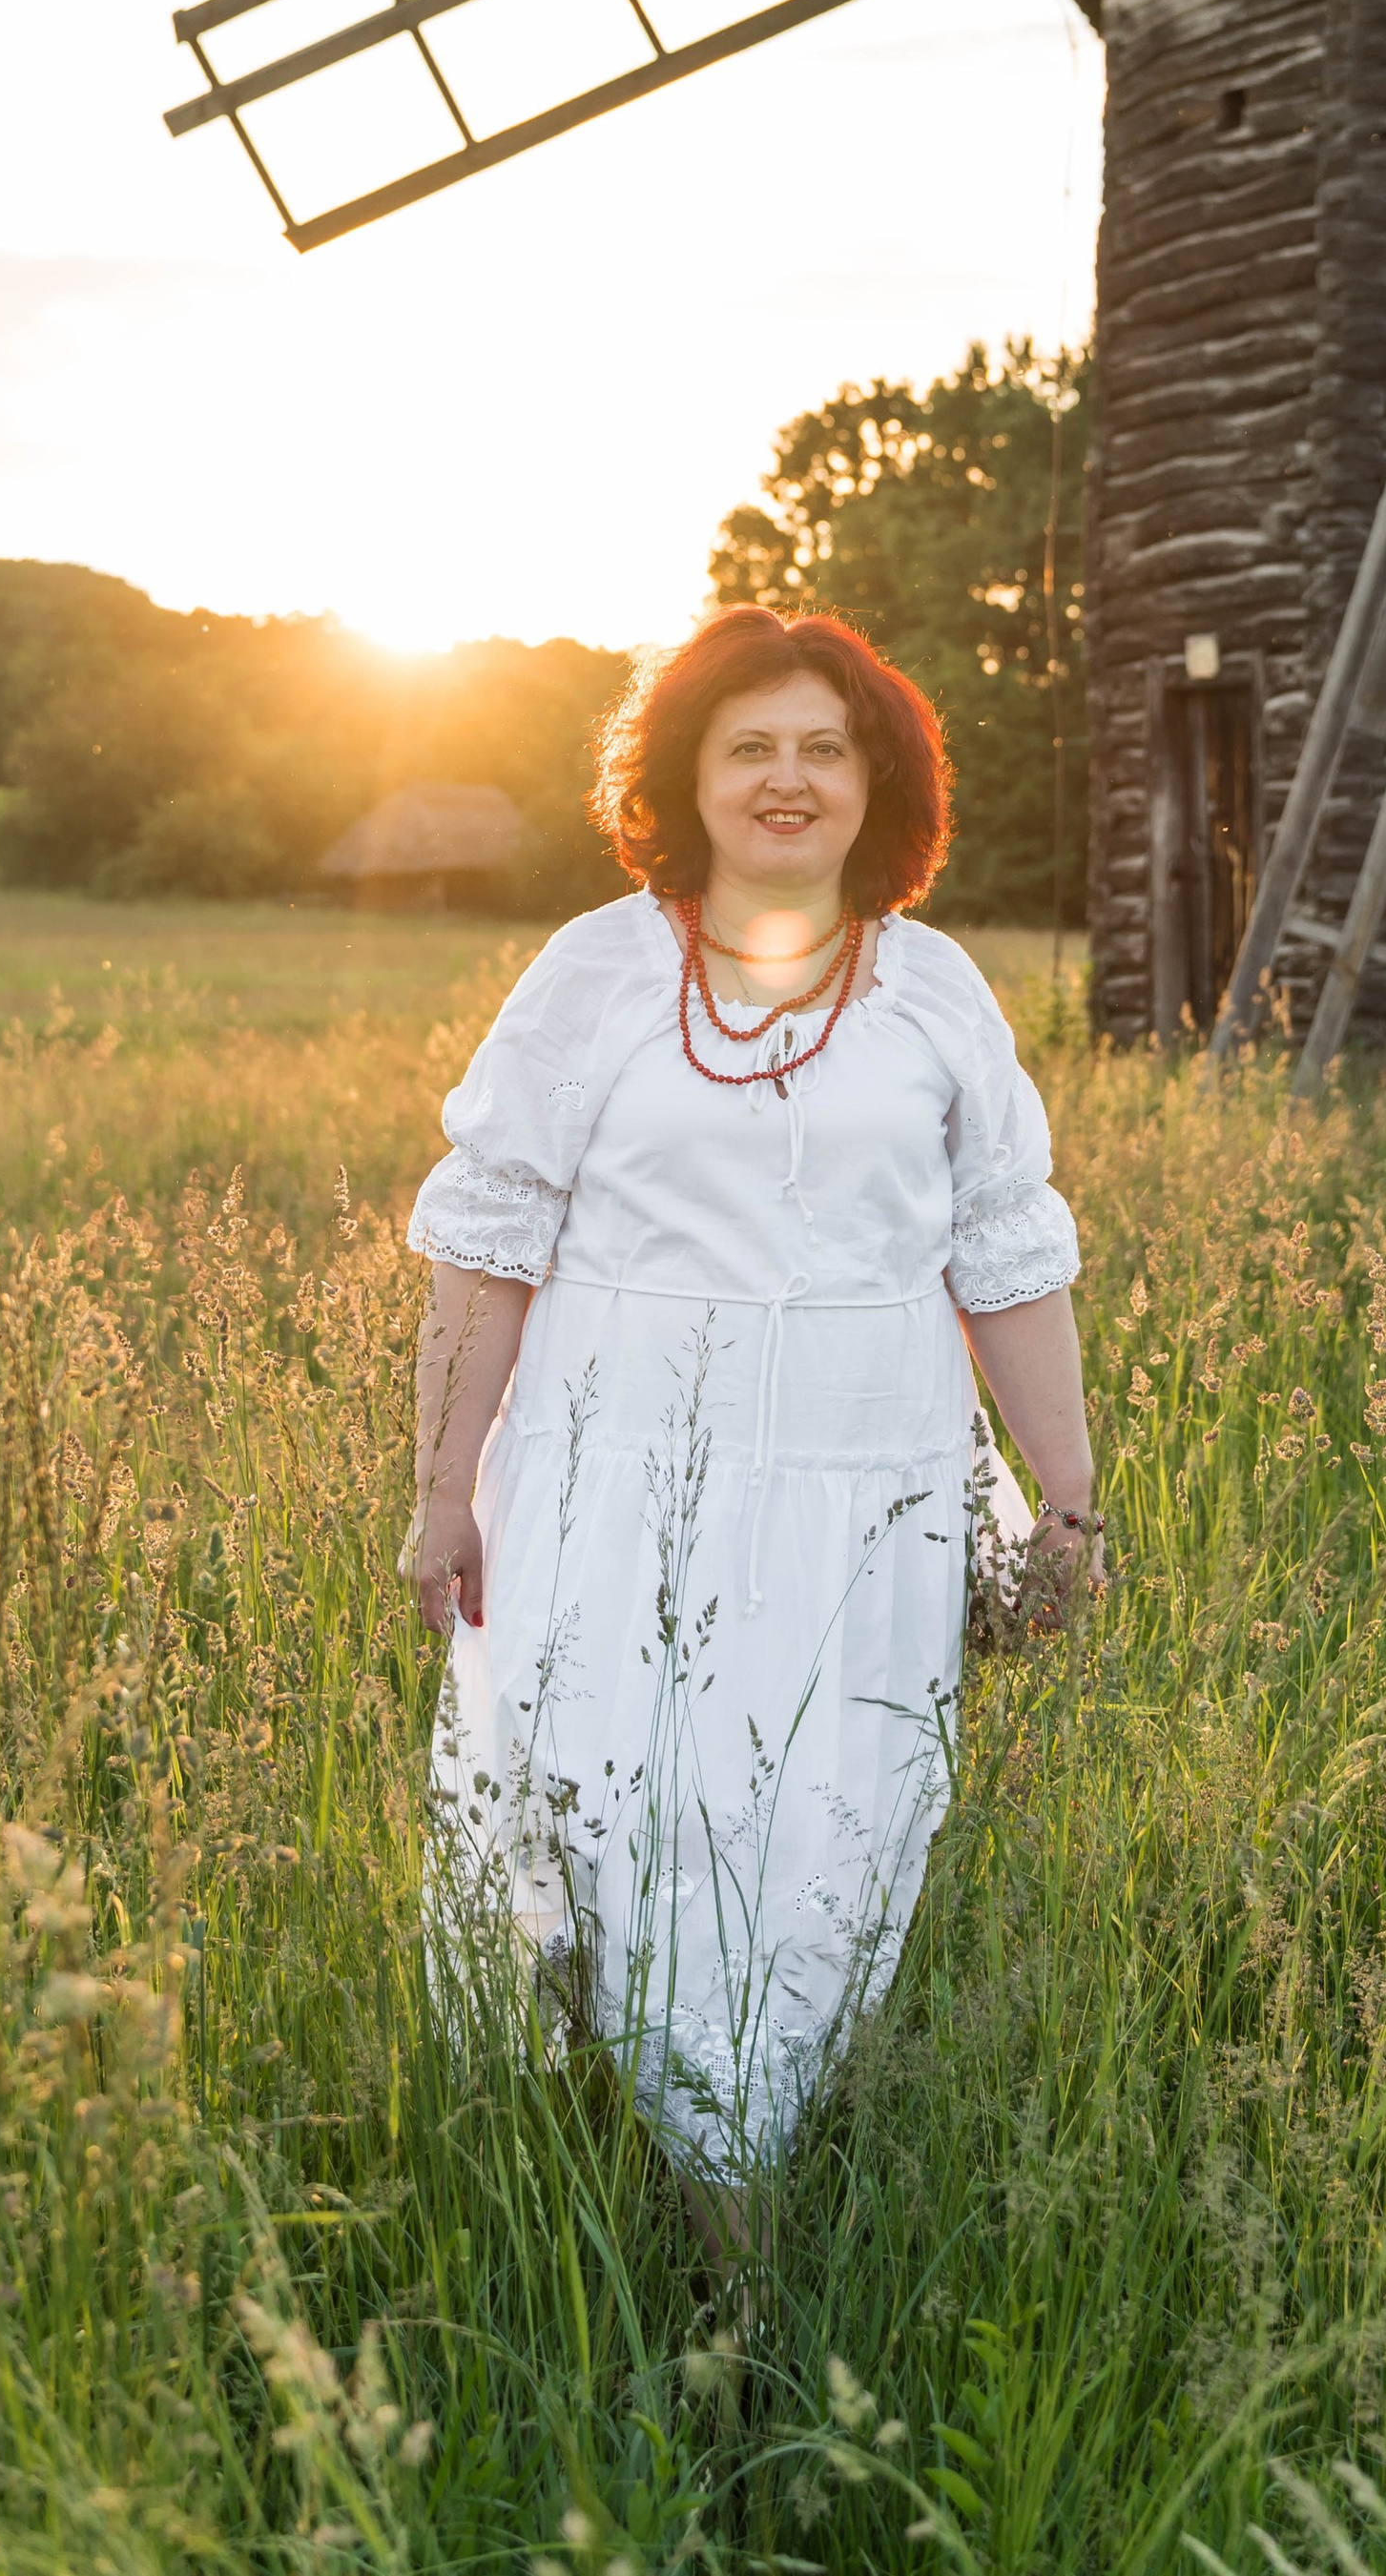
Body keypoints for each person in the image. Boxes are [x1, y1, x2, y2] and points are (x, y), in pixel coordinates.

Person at [403, 605, 1100, 2255]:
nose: (788, 779)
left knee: (823, 1855)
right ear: (686, 776)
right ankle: (674, 2231)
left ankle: (747, 2215)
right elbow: (485, 1244)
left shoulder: (935, 991)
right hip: (608, 1488)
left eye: (823, 747)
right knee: (627, 1832)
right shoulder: (596, 973)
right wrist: (443, 1493)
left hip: (873, 1509)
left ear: (877, 782)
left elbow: (1009, 1252)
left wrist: (1063, 1501)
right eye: (749, 746)